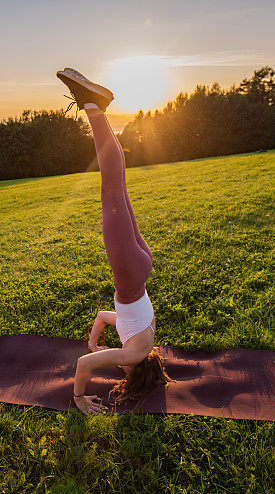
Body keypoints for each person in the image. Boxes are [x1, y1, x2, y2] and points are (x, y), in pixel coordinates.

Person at [56, 67, 173, 415]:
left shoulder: (145, 343)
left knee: (118, 184)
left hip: (142, 265)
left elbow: (106, 317)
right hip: (128, 272)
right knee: (110, 184)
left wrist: (94, 340)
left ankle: (97, 107)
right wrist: (79, 398)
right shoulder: (134, 354)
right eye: (123, 373)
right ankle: (94, 105)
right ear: (134, 373)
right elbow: (82, 367)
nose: (118, 368)